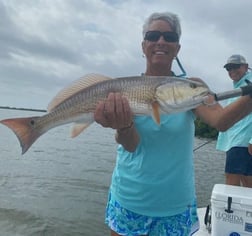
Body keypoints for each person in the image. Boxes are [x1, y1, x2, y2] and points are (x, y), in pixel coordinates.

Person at [94, 12, 252, 236]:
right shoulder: (126, 90)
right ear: (143, 45)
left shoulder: (192, 87)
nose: (161, 41)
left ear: (177, 48)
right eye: (153, 35)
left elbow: (221, 121)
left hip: (176, 205)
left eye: (169, 36)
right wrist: (124, 125)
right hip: (129, 199)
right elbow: (130, 145)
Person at [216, 55, 252, 187]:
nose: (232, 71)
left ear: (246, 67)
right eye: (229, 68)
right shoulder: (238, 87)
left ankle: (230, 207)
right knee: (247, 179)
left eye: (236, 66)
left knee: (232, 179)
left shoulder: (249, 84)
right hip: (236, 142)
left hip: (242, 142)